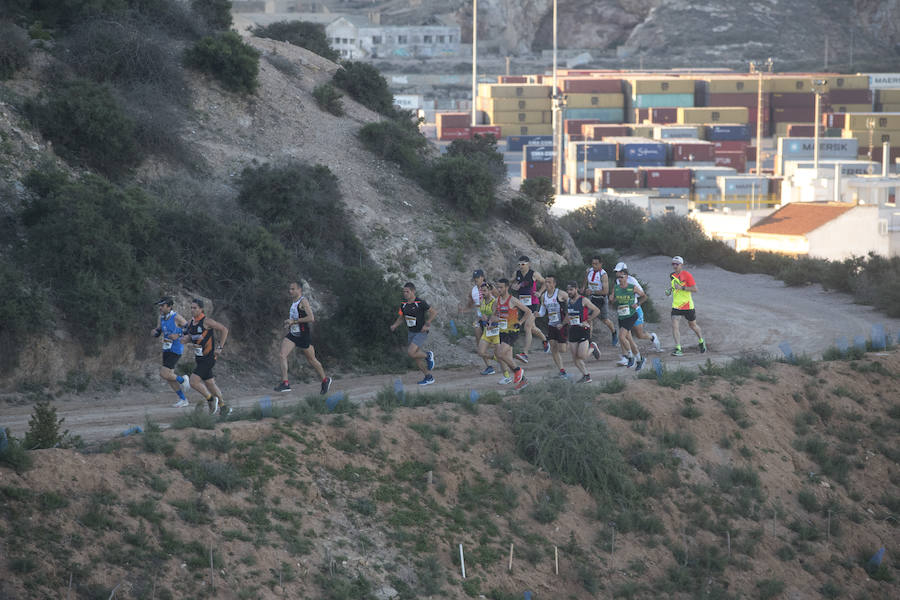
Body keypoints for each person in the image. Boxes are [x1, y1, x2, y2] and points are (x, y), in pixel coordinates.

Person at [274, 280, 333, 395]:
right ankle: (285, 383)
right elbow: (294, 318)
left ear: (299, 290)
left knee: (312, 360)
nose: (290, 291)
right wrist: (289, 323)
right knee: (282, 355)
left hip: (303, 335)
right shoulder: (293, 302)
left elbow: (311, 318)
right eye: (290, 289)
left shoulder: (303, 301)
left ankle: (325, 380)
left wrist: (294, 321)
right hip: (293, 334)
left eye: (293, 289)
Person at [182, 298, 230, 415]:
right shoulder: (191, 323)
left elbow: (224, 330)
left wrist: (220, 347)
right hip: (199, 358)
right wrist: (184, 339)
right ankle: (224, 407)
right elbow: (190, 336)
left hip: (209, 358)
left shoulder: (206, 321)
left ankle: (211, 399)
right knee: (210, 384)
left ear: (201, 309)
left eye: (195, 308)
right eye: (191, 308)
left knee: (193, 382)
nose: (192, 310)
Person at [390, 282, 437, 385]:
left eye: (407, 291)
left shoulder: (420, 302)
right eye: (404, 292)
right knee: (416, 357)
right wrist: (394, 325)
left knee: (411, 352)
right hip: (411, 332)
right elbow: (401, 318)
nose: (405, 294)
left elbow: (434, 312)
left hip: (421, 332)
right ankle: (428, 377)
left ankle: (428, 355)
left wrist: (427, 323)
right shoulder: (403, 305)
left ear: (413, 291)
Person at [151, 297, 191, 408]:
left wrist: (178, 335)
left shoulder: (176, 317)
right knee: (169, 377)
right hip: (166, 349)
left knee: (164, 374)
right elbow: (159, 331)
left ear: (169, 306)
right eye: (159, 306)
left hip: (176, 349)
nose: (160, 308)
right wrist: (155, 332)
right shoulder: (162, 318)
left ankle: (183, 379)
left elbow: (189, 329)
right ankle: (183, 400)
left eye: (162, 306)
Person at [610, 263, 648, 371]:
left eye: (621, 276)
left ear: (626, 276)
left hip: (631, 315)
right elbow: (613, 299)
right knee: (630, 340)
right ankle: (640, 359)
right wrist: (612, 298)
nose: (619, 278)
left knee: (621, 337)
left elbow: (644, 296)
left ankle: (630, 357)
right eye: (618, 276)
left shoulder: (633, 286)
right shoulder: (616, 287)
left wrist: (637, 304)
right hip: (622, 315)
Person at [511, 256, 548, 363]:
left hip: (532, 304)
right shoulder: (516, 274)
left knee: (527, 327)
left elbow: (545, 282)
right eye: (519, 264)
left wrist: (540, 292)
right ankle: (545, 340)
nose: (521, 266)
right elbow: (510, 283)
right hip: (522, 304)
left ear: (528, 264)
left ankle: (525, 354)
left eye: (523, 264)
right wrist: (513, 286)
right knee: (532, 328)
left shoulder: (534, 274)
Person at [494, 278, 529, 389]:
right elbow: (495, 315)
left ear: (507, 287)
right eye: (497, 287)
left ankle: (519, 370)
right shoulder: (497, 301)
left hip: (512, 332)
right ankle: (523, 381)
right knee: (507, 359)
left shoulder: (512, 300)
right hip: (502, 332)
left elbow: (528, 311)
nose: (499, 289)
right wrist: (493, 320)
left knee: (500, 354)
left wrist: (520, 322)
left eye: (501, 287)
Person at [563, 282, 601, 383]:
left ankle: (592, 347)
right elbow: (568, 314)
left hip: (583, 330)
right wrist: (562, 324)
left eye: (571, 290)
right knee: (575, 358)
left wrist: (588, 320)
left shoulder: (584, 300)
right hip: (573, 330)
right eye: (568, 290)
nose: (569, 292)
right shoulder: (569, 301)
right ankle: (586, 375)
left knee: (582, 356)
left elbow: (597, 310)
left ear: (576, 289)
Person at [669, 256, 706, 356]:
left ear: (682, 265)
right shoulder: (671, 275)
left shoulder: (687, 275)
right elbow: (674, 286)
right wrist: (670, 290)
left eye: (677, 264)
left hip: (688, 306)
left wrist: (682, 288)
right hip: (676, 306)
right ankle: (678, 348)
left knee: (692, 325)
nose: (675, 266)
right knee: (675, 326)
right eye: (673, 264)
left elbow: (695, 289)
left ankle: (701, 341)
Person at [583, 256, 618, 358]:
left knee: (605, 320)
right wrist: (583, 287)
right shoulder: (589, 271)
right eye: (593, 263)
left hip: (601, 299)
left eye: (596, 264)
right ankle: (589, 341)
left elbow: (605, 291)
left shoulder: (603, 275)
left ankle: (614, 332)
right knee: (589, 319)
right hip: (591, 298)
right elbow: (586, 279)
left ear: (601, 264)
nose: (594, 266)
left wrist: (592, 291)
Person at [538, 275, 569, 379]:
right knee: (553, 348)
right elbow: (543, 311)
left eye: (549, 282)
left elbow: (573, 303)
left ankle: (574, 344)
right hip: (551, 324)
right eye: (546, 282)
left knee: (563, 350)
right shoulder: (543, 296)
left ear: (554, 284)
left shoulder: (560, 294)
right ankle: (562, 370)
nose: (547, 284)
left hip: (561, 324)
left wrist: (568, 318)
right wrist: (538, 314)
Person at [475, 281, 500, 375]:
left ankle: (508, 373)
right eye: (481, 291)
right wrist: (481, 318)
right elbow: (482, 313)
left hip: (496, 330)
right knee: (480, 352)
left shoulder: (495, 302)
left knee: (500, 353)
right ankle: (492, 363)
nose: (483, 293)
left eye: (484, 291)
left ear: (490, 290)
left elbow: (496, 316)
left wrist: (488, 318)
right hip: (487, 330)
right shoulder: (481, 301)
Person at [461, 269, 487, 350]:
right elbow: (470, 304)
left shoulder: (489, 287)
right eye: (474, 277)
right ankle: (481, 351)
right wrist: (463, 310)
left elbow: (498, 298)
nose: (476, 279)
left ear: (482, 277)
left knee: (492, 340)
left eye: (478, 277)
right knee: (476, 326)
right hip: (479, 317)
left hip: (490, 317)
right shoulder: (473, 291)